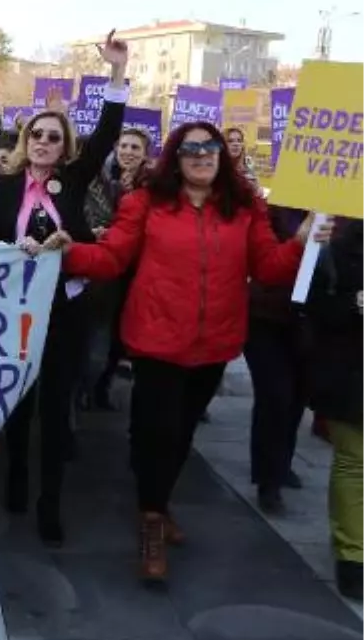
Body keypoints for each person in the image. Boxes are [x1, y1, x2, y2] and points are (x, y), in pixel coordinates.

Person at [58, 122, 331, 584]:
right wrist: (69, 252)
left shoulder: (246, 207)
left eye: (211, 148)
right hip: (155, 340)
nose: (202, 155)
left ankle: (159, 503)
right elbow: (112, 257)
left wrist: (302, 241)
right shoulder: (145, 203)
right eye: (191, 149)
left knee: (182, 433)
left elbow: (268, 267)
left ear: (223, 156)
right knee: (156, 431)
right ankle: (150, 520)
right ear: (174, 157)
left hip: (214, 344)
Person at [0, 30, 129, 547]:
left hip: (64, 312)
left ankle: (51, 502)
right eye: (37, 135)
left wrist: (114, 75)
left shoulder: (75, 179)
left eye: (53, 136)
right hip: (14, 314)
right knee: (18, 402)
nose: (44, 143)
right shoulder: (7, 186)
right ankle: (16, 476)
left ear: (65, 146)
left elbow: (108, 134)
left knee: (56, 407)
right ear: (25, 142)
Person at [304, 218, 364, 601]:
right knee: (355, 462)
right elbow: (317, 305)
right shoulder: (340, 244)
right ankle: (353, 554)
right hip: (354, 373)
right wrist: (356, 303)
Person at [81, 128, 152, 410]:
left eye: (135, 147)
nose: (128, 152)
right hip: (105, 272)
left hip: (138, 272)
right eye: (124, 146)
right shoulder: (102, 180)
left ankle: (103, 387)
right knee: (100, 335)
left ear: (145, 153)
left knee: (120, 338)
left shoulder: (153, 184)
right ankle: (88, 388)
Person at [244, 205, 309, 514]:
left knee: (297, 396)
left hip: (312, 321)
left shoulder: (346, 214)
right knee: (275, 395)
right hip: (267, 316)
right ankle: (268, 480)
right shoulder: (272, 209)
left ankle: (282, 462)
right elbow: (262, 258)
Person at [225, 127, 260, 192]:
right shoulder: (217, 167)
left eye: (239, 141)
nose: (236, 144)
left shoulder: (248, 163)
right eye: (230, 141)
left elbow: (257, 190)